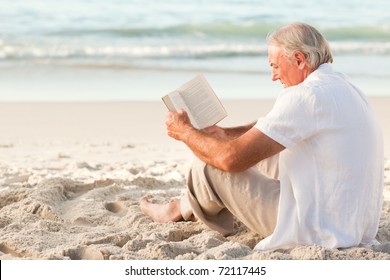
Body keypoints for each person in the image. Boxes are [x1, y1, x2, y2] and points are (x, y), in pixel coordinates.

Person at [140, 22, 384, 251]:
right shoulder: (345, 87)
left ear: (299, 59)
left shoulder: (305, 96)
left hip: (316, 231)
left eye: (275, 66)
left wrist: (185, 131)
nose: (274, 77)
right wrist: (225, 133)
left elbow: (230, 160)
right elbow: (273, 126)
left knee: (209, 165)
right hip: (354, 224)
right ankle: (184, 206)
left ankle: (177, 210)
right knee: (245, 148)